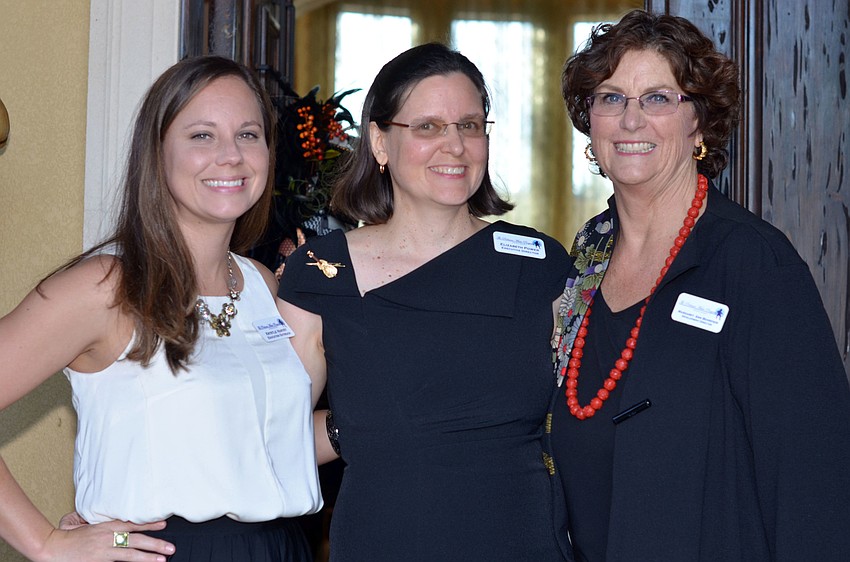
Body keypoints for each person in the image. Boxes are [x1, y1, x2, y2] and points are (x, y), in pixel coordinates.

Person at [550, 9, 850, 561]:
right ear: (590, 121)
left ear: (699, 123)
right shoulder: (588, 252)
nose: (631, 120)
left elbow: (812, 483)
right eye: (611, 97)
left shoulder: (755, 264)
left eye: (657, 98)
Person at [0, 55, 323, 561]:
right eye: (202, 136)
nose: (231, 155)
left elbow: (264, 444)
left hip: (282, 547)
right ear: (157, 153)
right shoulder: (107, 287)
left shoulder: (261, 284)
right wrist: (45, 543)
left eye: (248, 134)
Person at [278, 43, 570, 561]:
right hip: (384, 542)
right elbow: (272, 437)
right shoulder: (321, 271)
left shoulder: (540, 264)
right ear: (380, 141)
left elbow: (588, 420)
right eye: (428, 127)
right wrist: (355, 425)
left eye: (469, 125)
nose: (454, 145)